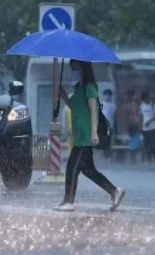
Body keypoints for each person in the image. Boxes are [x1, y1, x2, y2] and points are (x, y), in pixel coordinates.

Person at [54, 59, 125, 212]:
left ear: (81, 65)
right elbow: (74, 106)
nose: (71, 64)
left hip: (86, 135)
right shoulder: (79, 87)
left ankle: (69, 201)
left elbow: (94, 110)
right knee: (89, 171)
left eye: (74, 62)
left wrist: (93, 132)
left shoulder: (90, 87)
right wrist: (64, 96)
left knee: (72, 167)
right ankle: (115, 191)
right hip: (79, 135)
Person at [140, 91, 155, 163]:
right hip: (145, 128)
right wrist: (141, 125)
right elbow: (141, 116)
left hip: (153, 127)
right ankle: (149, 159)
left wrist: (149, 121)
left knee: (153, 144)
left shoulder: (153, 105)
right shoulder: (142, 106)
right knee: (146, 144)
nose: (147, 100)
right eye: (145, 98)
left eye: (148, 98)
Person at [100, 89, 116, 159]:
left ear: (110, 96)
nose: (107, 96)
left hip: (109, 126)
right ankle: (105, 155)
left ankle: (108, 155)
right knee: (103, 140)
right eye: (106, 95)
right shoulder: (101, 104)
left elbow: (114, 116)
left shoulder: (113, 105)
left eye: (108, 95)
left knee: (108, 140)